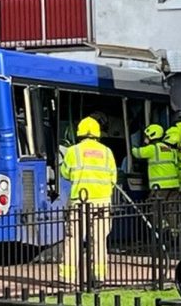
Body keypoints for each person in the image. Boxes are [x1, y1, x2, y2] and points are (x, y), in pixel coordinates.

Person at [59, 116, 117, 287]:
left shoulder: (73, 151)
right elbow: (113, 177)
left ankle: (68, 278)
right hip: (102, 202)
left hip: (80, 202)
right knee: (99, 240)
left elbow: (65, 173)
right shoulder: (107, 152)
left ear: (80, 133)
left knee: (73, 238)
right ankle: (98, 277)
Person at [132, 124, 179, 228]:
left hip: (160, 186)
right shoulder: (168, 148)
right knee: (171, 209)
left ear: (151, 135)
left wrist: (133, 144)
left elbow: (137, 153)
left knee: (155, 209)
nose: (145, 138)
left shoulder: (152, 148)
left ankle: (162, 231)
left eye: (146, 136)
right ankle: (174, 233)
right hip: (174, 185)